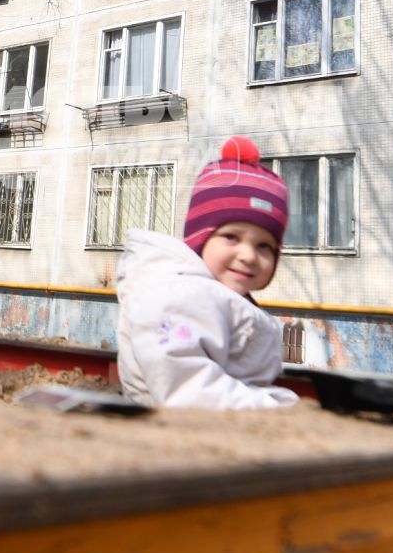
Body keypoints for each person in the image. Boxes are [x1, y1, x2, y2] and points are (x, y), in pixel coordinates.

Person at [115, 136, 298, 409]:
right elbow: (187, 390)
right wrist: (272, 405)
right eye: (231, 237)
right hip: (177, 435)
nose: (248, 256)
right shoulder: (178, 297)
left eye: (264, 246)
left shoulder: (210, 295)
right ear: (200, 239)